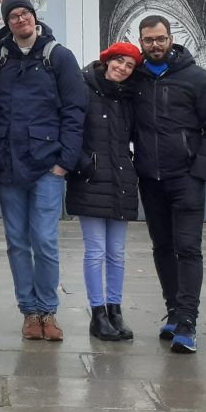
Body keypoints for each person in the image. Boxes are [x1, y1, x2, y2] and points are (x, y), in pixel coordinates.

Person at [0, 0, 87, 341]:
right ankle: (29, 313)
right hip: (9, 167)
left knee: (45, 241)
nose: (20, 19)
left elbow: (75, 112)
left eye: (25, 13)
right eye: (13, 15)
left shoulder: (58, 57)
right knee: (17, 243)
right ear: (7, 23)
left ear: (34, 16)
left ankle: (49, 310)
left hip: (47, 167)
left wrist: (64, 163)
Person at [131, 15, 206, 355]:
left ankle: (187, 321)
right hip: (150, 178)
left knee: (187, 248)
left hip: (185, 178)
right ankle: (173, 310)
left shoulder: (195, 78)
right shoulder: (137, 78)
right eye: (148, 40)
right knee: (162, 247)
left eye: (160, 38)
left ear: (171, 38)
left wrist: (200, 171)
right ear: (140, 41)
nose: (154, 45)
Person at [66, 42, 142, 343]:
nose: (122, 69)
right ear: (107, 61)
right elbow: (70, 128)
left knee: (118, 253)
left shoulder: (128, 98)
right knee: (95, 251)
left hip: (121, 180)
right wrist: (83, 164)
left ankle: (115, 310)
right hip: (90, 180)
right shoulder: (84, 88)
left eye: (129, 66)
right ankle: (97, 314)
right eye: (119, 62)